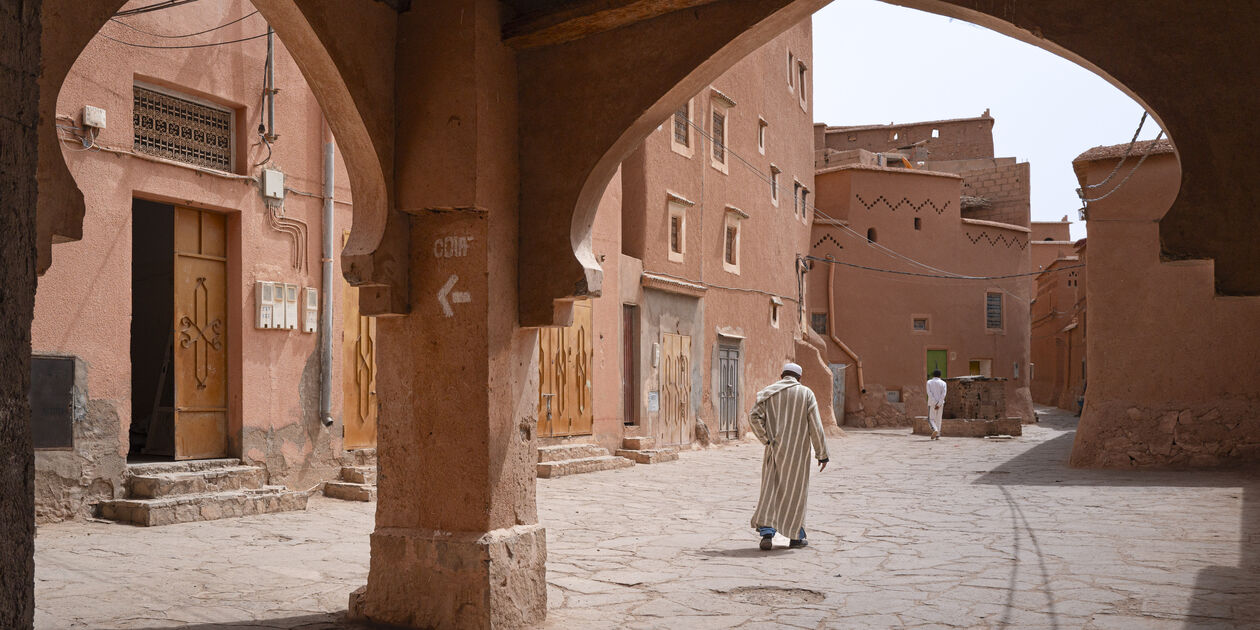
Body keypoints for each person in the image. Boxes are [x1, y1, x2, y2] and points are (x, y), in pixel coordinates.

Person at [749, 362, 829, 551]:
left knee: (771, 490)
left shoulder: (769, 393)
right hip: (798, 454)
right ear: (799, 378)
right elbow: (815, 425)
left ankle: (767, 532)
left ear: (782, 375)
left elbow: (754, 416)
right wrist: (822, 454)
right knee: (796, 493)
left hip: (774, 450)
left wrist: (766, 439)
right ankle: (796, 537)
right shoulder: (806, 394)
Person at [926, 369, 946, 440]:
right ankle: (938, 435)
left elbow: (929, 393)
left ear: (933, 375)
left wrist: (934, 403)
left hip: (932, 403)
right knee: (939, 419)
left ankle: (935, 429)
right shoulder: (943, 383)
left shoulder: (929, 382)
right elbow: (943, 394)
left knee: (930, 419)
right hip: (940, 404)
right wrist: (939, 403)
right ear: (940, 375)